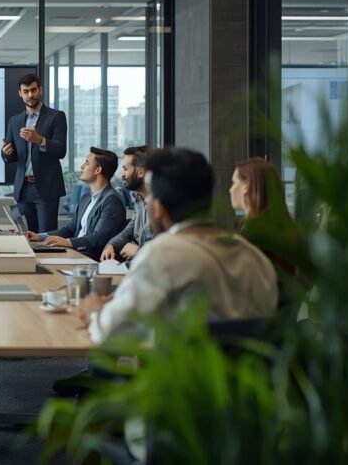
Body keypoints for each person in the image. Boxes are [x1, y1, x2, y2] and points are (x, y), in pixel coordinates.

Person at [79, 148, 278, 345]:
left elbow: (108, 331)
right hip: (241, 375)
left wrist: (95, 310)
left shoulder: (161, 256)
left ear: (157, 208)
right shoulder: (254, 257)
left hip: (177, 375)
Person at [230, 158, 307, 311]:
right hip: (287, 322)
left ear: (246, 186)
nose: (230, 189)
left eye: (234, 182)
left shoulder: (252, 234)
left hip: (257, 323)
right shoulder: (289, 230)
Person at [28, 147, 127, 260]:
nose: (82, 167)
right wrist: (38, 237)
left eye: (86, 163)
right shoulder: (86, 198)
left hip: (91, 257)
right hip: (75, 253)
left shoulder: (112, 200)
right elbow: (70, 229)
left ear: (98, 170)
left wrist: (67, 242)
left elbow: (99, 238)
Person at [1, 73, 68, 233]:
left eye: (33, 90)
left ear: (40, 90)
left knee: (45, 237)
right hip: (23, 189)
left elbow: (61, 150)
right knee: (25, 236)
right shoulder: (15, 121)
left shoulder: (56, 116)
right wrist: (6, 152)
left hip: (46, 188)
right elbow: (11, 157)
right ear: (20, 93)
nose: (30, 95)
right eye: (26, 91)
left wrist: (40, 140)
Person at [101, 146, 154, 263]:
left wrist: (139, 251)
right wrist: (111, 245)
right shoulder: (139, 199)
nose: (122, 175)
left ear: (140, 172)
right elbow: (129, 231)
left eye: (125, 169)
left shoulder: (163, 204)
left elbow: (170, 251)